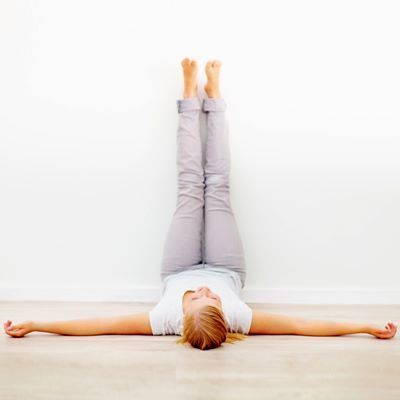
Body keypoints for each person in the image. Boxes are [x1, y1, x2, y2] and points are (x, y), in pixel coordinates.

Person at [3, 58, 397, 350]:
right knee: (219, 186)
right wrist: (363, 327)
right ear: (225, 315)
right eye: (214, 298)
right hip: (228, 265)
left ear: (182, 316)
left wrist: (38, 324)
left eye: (196, 298)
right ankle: (216, 98)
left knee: (190, 185)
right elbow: (300, 326)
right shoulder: (238, 316)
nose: (205, 290)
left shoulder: (164, 318)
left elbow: (99, 326)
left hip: (177, 267)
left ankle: (189, 95)